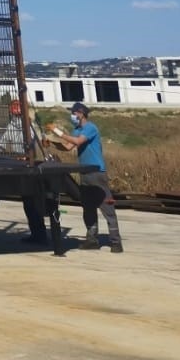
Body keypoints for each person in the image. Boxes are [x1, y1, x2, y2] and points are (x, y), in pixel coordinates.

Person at [46, 102, 123, 252]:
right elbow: (68, 147)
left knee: (106, 207)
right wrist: (53, 143)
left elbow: (77, 142)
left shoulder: (90, 128)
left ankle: (116, 242)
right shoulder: (77, 130)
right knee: (88, 207)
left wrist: (56, 130)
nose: (72, 116)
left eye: (73, 113)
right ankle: (92, 240)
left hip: (96, 172)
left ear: (80, 113)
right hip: (85, 173)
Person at [0, 102, 49, 244]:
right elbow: (2, 145)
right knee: (30, 202)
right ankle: (38, 233)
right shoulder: (22, 126)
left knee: (31, 202)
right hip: (25, 164)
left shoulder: (26, 127)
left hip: (27, 165)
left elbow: (2, 145)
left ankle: (39, 233)